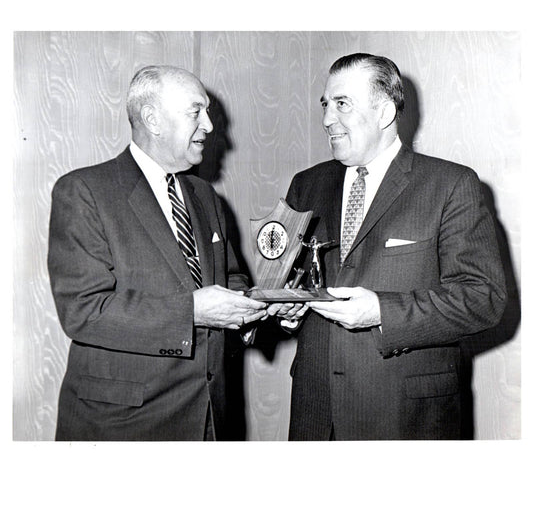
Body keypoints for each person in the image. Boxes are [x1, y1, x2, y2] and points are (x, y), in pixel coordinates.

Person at [283, 53, 507, 440]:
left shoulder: (450, 185)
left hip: (405, 417)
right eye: (325, 105)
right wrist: (287, 308)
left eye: (342, 104)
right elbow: (298, 281)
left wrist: (382, 312)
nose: (326, 119)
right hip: (316, 412)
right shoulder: (306, 185)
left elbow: (482, 298)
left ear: (385, 111)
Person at [48, 65, 270, 441]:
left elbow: (229, 279)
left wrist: (259, 306)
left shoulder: (204, 197)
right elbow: (83, 311)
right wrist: (193, 310)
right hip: (125, 426)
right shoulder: (85, 191)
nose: (210, 126)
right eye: (196, 111)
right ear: (152, 119)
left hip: (208, 417)